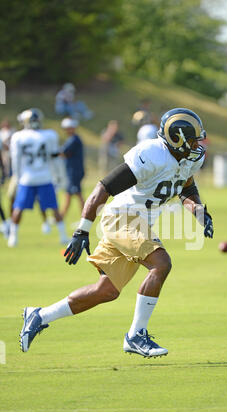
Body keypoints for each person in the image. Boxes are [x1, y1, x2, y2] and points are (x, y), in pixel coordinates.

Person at [19, 108, 214, 358]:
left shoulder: (189, 157)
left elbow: (186, 188)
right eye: (194, 138)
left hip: (140, 222)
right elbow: (103, 188)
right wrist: (82, 230)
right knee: (161, 263)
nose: (199, 144)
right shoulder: (152, 154)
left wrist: (198, 211)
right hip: (122, 218)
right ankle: (136, 335)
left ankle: (39, 315)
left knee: (107, 291)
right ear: (178, 138)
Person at [8, 108, 69, 247]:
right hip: (44, 177)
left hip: (27, 178)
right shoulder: (49, 135)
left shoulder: (18, 136)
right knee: (53, 207)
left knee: (18, 207)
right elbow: (55, 158)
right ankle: (63, 236)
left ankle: (13, 237)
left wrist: (17, 177)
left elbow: (15, 159)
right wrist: (59, 176)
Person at [59, 118, 85, 219]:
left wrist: (52, 154)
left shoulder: (74, 140)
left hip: (74, 171)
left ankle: (85, 217)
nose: (66, 130)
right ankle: (61, 216)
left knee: (77, 194)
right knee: (68, 194)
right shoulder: (72, 139)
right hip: (72, 171)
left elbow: (63, 153)